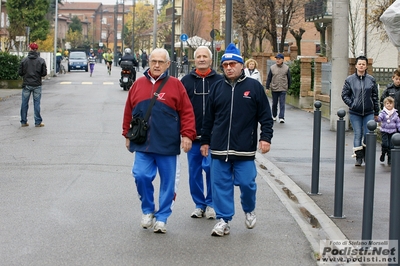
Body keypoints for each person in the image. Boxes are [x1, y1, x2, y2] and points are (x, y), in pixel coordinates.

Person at [200, 43, 274, 237]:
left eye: (233, 64)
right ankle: (224, 220)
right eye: (225, 65)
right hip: (219, 148)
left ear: (241, 65)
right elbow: (209, 118)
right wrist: (205, 141)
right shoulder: (217, 87)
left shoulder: (254, 87)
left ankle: (249, 209)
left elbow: (266, 116)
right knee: (220, 186)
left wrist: (265, 138)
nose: (229, 68)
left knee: (247, 183)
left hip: (244, 149)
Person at [122, 48, 196, 234]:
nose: (156, 65)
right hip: (142, 144)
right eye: (153, 61)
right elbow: (128, 111)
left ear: (167, 64)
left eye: (160, 62)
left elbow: (187, 111)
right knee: (140, 175)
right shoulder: (138, 84)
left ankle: (162, 217)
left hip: (167, 144)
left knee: (168, 184)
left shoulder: (176, 85)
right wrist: (126, 134)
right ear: (148, 61)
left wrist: (187, 134)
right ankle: (147, 210)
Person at [181, 46, 223, 220]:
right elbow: (181, 108)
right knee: (194, 172)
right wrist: (184, 133)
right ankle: (199, 204)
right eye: (198, 56)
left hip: (214, 137)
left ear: (211, 60)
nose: (202, 59)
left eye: (205, 56)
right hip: (193, 136)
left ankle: (212, 203)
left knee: (211, 168)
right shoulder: (186, 81)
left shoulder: (220, 81)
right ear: (194, 60)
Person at [341, 55, 379, 166]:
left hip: (368, 112)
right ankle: (358, 157)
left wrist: (376, 112)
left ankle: (367, 154)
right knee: (358, 133)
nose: (361, 66)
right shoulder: (350, 80)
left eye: (363, 64)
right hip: (355, 112)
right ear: (356, 65)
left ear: (366, 66)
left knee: (368, 134)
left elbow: (375, 97)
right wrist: (352, 104)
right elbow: (344, 95)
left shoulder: (371, 80)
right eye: (359, 64)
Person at [19, 43, 47, 128]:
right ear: (36, 49)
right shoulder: (41, 60)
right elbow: (44, 73)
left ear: (30, 49)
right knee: (37, 103)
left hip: (27, 84)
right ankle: (38, 122)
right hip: (37, 84)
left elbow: (20, 73)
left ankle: (24, 121)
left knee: (24, 103)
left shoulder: (24, 60)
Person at [266, 53, 291, 123]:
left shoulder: (286, 68)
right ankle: (274, 115)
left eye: (279, 59)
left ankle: (281, 117)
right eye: (277, 59)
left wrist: (288, 87)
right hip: (274, 88)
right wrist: (267, 87)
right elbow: (269, 78)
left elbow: (289, 78)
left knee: (282, 103)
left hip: (283, 88)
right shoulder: (272, 68)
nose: (277, 60)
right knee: (274, 103)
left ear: (282, 60)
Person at [375, 96, 400, 166]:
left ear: (393, 105)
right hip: (385, 131)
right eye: (387, 103)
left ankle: (390, 158)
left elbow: (398, 122)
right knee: (385, 144)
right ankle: (383, 153)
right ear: (385, 105)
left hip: (393, 131)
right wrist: (377, 118)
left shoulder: (395, 113)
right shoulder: (383, 112)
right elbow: (379, 119)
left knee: (391, 146)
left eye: (391, 103)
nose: (389, 105)